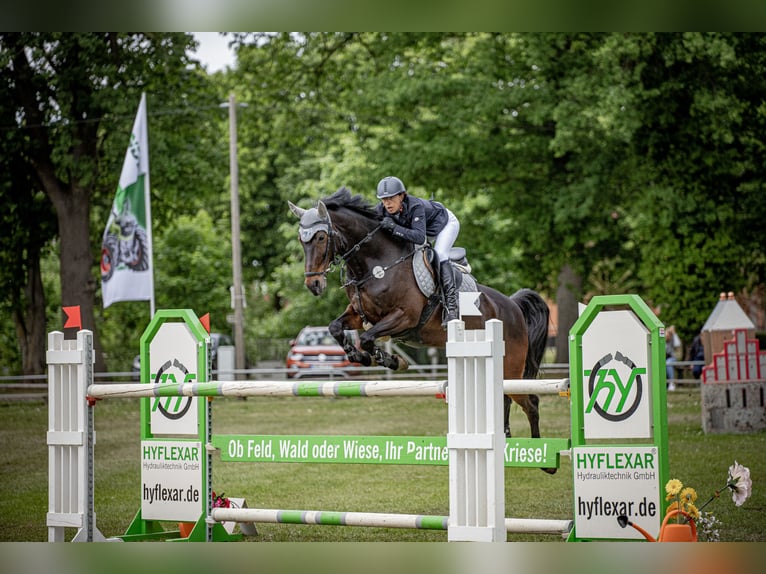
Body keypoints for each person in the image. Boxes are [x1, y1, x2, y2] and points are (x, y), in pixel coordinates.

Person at [375, 176, 461, 326]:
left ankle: (452, 309)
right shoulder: (381, 209)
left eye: (391, 198)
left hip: (445, 224)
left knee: (440, 254)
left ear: (401, 196)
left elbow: (420, 238)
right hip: (421, 230)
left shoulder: (415, 206)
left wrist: (394, 228)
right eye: (383, 199)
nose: (387, 203)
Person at [665, 325, 682, 391]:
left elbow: (677, 344)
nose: (667, 336)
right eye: (666, 335)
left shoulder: (672, 340)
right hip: (664, 359)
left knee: (668, 363)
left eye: (669, 335)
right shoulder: (663, 341)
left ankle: (672, 383)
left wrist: (674, 333)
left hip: (672, 358)